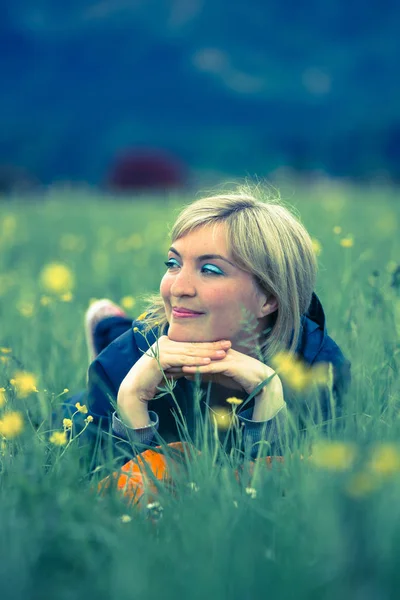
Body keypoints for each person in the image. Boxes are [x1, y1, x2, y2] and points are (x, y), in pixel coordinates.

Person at [64, 185, 351, 470]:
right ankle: (109, 329)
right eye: (173, 263)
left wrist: (269, 395)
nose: (178, 287)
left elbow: (286, 494)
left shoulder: (318, 369)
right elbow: (109, 490)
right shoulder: (122, 363)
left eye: (210, 270)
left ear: (269, 298)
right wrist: (131, 400)